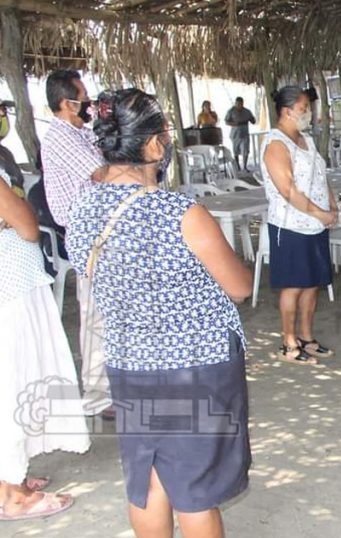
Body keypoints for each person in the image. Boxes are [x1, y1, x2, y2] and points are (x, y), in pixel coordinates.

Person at [65, 88, 252, 537]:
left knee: (148, 478)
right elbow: (240, 288)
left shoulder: (82, 210)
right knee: (195, 490)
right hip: (195, 369)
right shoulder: (180, 212)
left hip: (130, 363)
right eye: (165, 134)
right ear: (151, 145)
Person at [0, 168, 90, 522]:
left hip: (14, 284)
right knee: (13, 379)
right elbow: (26, 225)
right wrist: (16, 210)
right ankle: (12, 494)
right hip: (10, 292)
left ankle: (10, 473)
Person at [39, 68, 112, 418]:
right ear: (65, 103)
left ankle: (113, 386)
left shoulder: (81, 133)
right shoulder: (60, 137)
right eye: (83, 100)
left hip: (103, 230)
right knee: (96, 315)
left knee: (111, 312)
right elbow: (101, 173)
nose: (88, 105)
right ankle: (98, 396)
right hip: (86, 233)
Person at [261, 86, 337, 364]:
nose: (309, 113)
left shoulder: (306, 139)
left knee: (312, 284)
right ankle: (288, 342)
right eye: (304, 108)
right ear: (287, 111)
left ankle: (307, 337)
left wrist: (330, 203)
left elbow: (319, 174)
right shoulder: (276, 144)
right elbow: (287, 189)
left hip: (314, 224)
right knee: (293, 285)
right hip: (290, 225)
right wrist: (320, 213)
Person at [225, 97, 256, 171]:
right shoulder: (231, 111)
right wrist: (234, 123)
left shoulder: (247, 111)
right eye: (237, 104)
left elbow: (253, 121)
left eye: (241, 104)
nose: (239, 105)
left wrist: (251, 119)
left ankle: (245, 166)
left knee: (245, 151)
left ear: (243, 103)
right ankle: (237, 166)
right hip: (235, 134)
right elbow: (226, 121)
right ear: (235, 103)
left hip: (245, 133)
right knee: (236, 151)